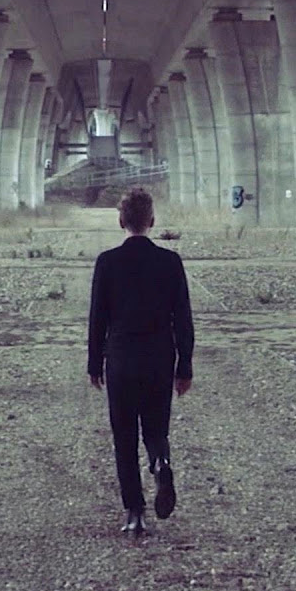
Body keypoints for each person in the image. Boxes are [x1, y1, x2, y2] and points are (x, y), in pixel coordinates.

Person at [88, 188, 194, 536]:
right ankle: (160, 462)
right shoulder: (170, 262)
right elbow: (183, 319)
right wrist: (185, 366)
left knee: (124, 436)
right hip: (159, 358)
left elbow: (97, 318)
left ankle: (135, 512)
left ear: (121, 221)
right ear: (152, 220)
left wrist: (94, 363)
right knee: (156, 428)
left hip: (121, 358)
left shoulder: (107, 262)